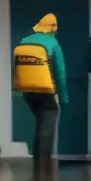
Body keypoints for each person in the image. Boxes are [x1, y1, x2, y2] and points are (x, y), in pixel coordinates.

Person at [13, 13, 68, 163]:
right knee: (48, 123)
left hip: (27, 92)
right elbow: (60, 73)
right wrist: (63, 98)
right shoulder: (52, 42)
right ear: (52, 28)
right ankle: (44, 163)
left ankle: (37, 158)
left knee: (41, 122)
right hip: (45, 91)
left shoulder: (24, 41)